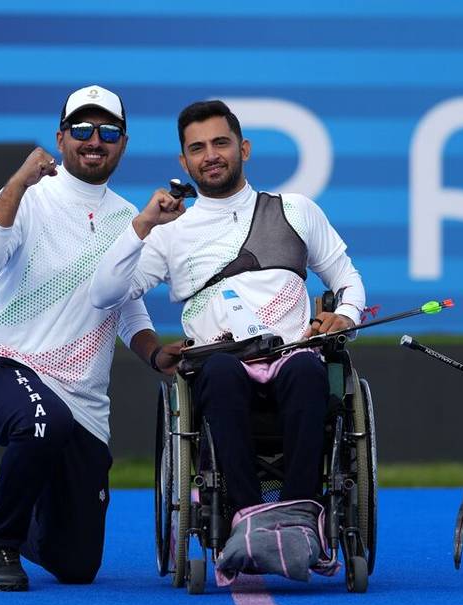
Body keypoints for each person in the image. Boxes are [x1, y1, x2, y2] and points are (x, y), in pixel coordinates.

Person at [90, 99, 366, 519]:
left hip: (291, 356)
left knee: (308, 371)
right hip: (220, 364)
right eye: (197, 148)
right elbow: (106, 294)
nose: (211, 155)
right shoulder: (170, 231)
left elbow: (347, 278)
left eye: (221, 143)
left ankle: (300, 516)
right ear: (184, 162)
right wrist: (143, 225)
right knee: (220, 372)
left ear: (244, 148)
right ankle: (247, 518)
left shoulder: (296, 210)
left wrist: (345, 315)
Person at [0, 85, 178, 591]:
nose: (93, 140)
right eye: (81, 129)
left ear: (123, 144)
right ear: (60, 138)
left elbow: (126, 307)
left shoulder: (131, 219)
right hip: (3, 366)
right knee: (43, 420)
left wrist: (153, 353)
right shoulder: (27, 198)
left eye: (108, 132)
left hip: (83, 400)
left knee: (77, 565)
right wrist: (18, 181)